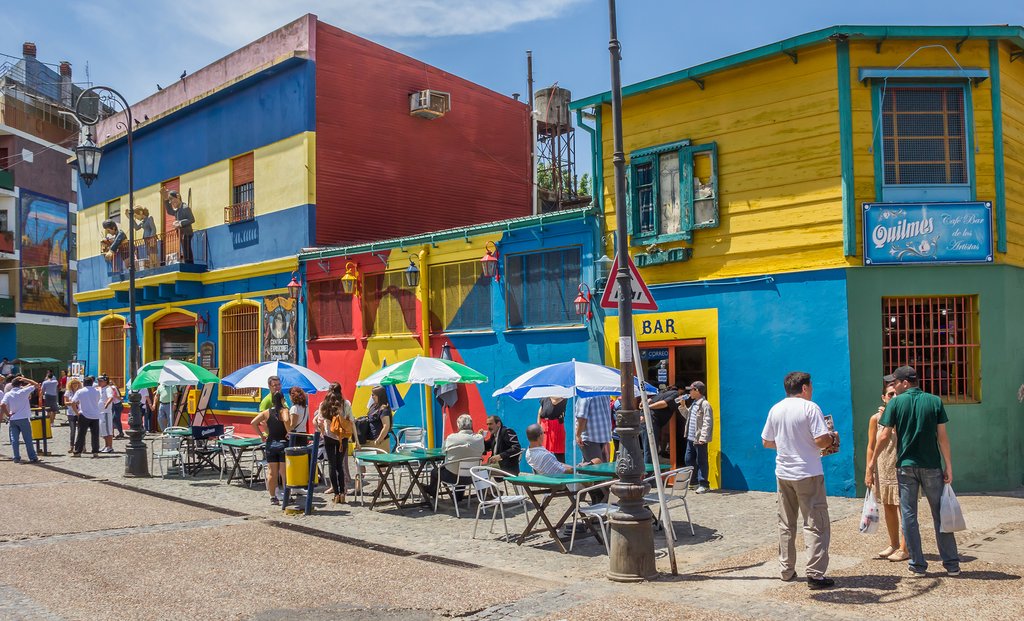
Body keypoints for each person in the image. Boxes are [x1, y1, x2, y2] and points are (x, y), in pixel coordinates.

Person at [876, 365, 960, 577]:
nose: (893, 385)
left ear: (906, 382)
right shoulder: (935, 401)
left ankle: (917, 565)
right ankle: (951, 564)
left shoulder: (895, 403)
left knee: (909, 515)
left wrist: (871, 461)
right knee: (940, 514)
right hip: (932, 465)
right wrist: (948, 465)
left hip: (905, 467)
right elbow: (942, 436)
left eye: (895, 382)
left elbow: (884, 435)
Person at [761, 371, 838, 590]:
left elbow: (767, 441)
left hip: (784, 473)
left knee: (786, 523)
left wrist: (788, 444)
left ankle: (786, 570)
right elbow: (822, 441)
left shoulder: (775, 409)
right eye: (811, 387)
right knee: (816, 524)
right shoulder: (810, 408)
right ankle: (815, 574)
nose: (812, 390)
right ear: (804, 388)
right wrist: (831, 437)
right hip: (808, 472)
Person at [864, 381, 908, 562]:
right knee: (888, 506)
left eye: (895, 394)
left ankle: (906, 548)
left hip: (900, 466)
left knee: (904, 508)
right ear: (883, 398)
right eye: (890, 395)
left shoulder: (903, 416)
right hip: (883, 468)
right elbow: (871, 446)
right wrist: (869, 470)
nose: (893, 397)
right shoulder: (875, 418)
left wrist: (891, 419)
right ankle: (894, 543)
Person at [426, 414, 484, 504]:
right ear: (471, 425)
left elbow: (443, 451)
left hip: (452, 477)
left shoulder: (452, 438)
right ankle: (458, 497)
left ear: (458, 425)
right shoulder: (479, 439)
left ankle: (432, 491)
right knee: (461, 467)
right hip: (472, 476)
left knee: (435, 472)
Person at [314, 382, 355, 503]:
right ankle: (343, 493)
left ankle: (336, 494)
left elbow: (319, 421)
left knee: (332, 465)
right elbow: (351, 420)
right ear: (340, 390)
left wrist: (322, 432)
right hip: (343, 438)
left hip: (329, 437)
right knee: (340, 465)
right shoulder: (346, 404)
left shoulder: (324, 404)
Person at [251, 392, 291, 505]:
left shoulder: (266, 412)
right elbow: (287, 420)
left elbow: (253, 422)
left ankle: (272, 497)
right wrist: (288, 431)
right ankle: (287, 495)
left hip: (271, 443)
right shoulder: (284, 410)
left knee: (271, 472)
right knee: (284, 472)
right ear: (283, 399)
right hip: (283, 444)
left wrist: (261, 435)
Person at [1, 375, 42, 463]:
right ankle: (32, 457)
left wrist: (8, 414)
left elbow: (2, 404)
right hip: (23, 417)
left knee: (14, 439)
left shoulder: (8, 394)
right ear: (20, 384)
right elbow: (36, 384)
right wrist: (25, 379)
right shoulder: (24, 391)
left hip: (13, 418)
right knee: (28, 439)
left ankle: (16, 457)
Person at [684, 381, 714, 494]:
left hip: (699, 438)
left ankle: (704, 484)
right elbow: (688, 416)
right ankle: (693, 482)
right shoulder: (694, 404)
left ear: (697, 391)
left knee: (701, 461)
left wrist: (703, 437)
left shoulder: (705, 404)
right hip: (691, 437)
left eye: (691, 390)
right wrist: (682, 407)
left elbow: (708, 421)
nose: (689, 392)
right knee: (688, 459)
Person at [646, 385, 681, 463]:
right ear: (681, 390)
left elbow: (648, 400)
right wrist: (647, 407)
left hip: (647, 420)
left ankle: (649, 471)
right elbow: (664, 403)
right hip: (652, 421)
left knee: (648, 448)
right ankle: (649, 474)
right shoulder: (675, 393)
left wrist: (645, 405)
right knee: (651, 449)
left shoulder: (661, 393)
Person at [71, 376, 103, 457]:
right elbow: (98, 400)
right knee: (95, 435)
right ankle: (95, 451)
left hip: (84, 414)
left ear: (84, 383)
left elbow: (73, 402)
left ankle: (78, 451)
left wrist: (76, 412)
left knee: (81, 434)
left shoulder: (80, 391)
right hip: (95, 414)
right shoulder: (97, 391)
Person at [575, 396, 612, 464]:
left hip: (590, 437)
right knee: (601, 468)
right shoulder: (604, 392)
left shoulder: (584, 394)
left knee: (594, 469)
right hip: (603, 435)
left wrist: (578, 435)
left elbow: (582, 417)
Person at [162, 188, 195, 264]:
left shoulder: (185, 207)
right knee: (185, 249)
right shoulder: (177, 210)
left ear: (178, 196)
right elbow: (170, 211)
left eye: (171, 199)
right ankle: (188, 263)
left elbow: (192, 219)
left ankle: (189, 264)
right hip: (181, 233)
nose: (171, 202)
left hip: (187, 232)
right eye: (169, 200)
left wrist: (179, 223)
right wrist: (166, 200)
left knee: (187, 249)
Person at [536, 396, 567, 462]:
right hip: (544, 425)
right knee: (543, 452)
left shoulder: (563, 393)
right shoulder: (546, 394)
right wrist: (538, 424)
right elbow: (541, 408)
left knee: (558, 453)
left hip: (556, 425)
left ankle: (561, 471)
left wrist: (548, 394)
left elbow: (554, 401)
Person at [364, 386, 393, 452]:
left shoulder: (384, 409)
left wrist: (378, 440)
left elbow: (386, 426)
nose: (372, 397)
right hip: (370, 440)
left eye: (374, 395)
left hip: (380, 442)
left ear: (380, 395)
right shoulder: (373, 406)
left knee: (381, 461)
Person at [63, 378, 83, 453]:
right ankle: (72, 446)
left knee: (81, 430)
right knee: (73, 430)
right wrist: (72, 403)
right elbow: (65, 402)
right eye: (73, 383)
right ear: (70, 384)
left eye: (76, 383)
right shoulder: (68, 392)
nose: (75, 385)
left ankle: (82, 446)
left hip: (80, 412)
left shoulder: (80, 392)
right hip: (71, 413)